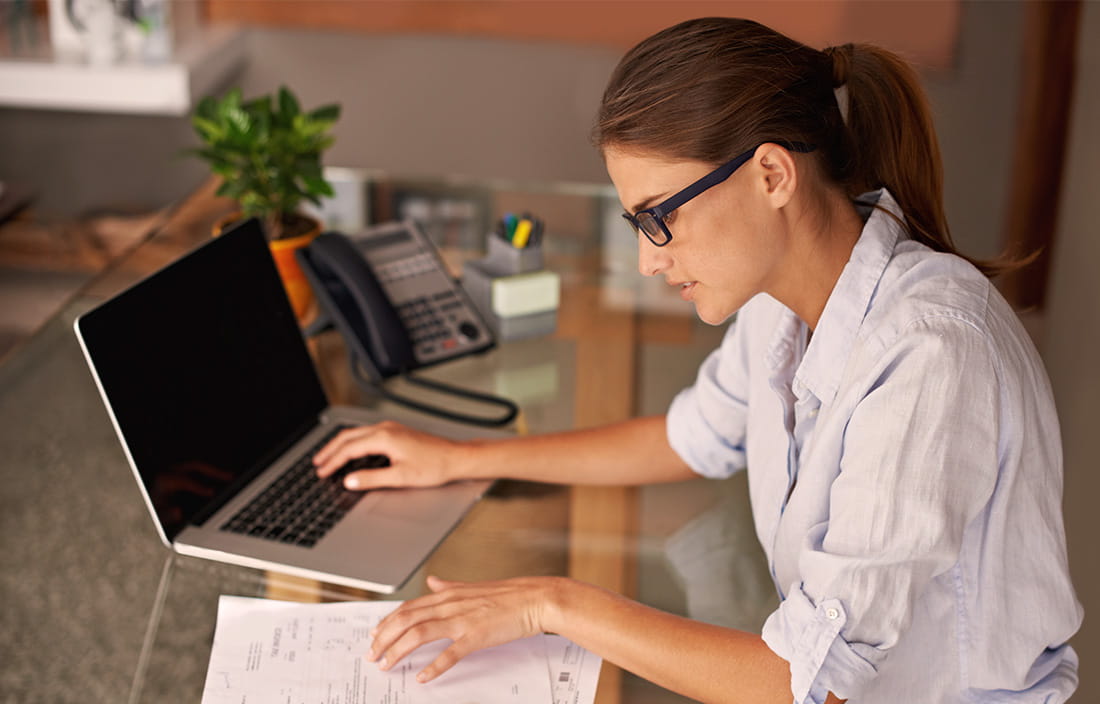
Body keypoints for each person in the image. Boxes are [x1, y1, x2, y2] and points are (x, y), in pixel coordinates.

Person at [313, 17, 1082, 704]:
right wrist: (463, 459)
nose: (651, 262)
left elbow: (804, 684)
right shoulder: (784, 297)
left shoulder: (929, 356)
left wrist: (549, 603)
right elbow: (691, 437)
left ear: (772, 174)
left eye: (661, 219)